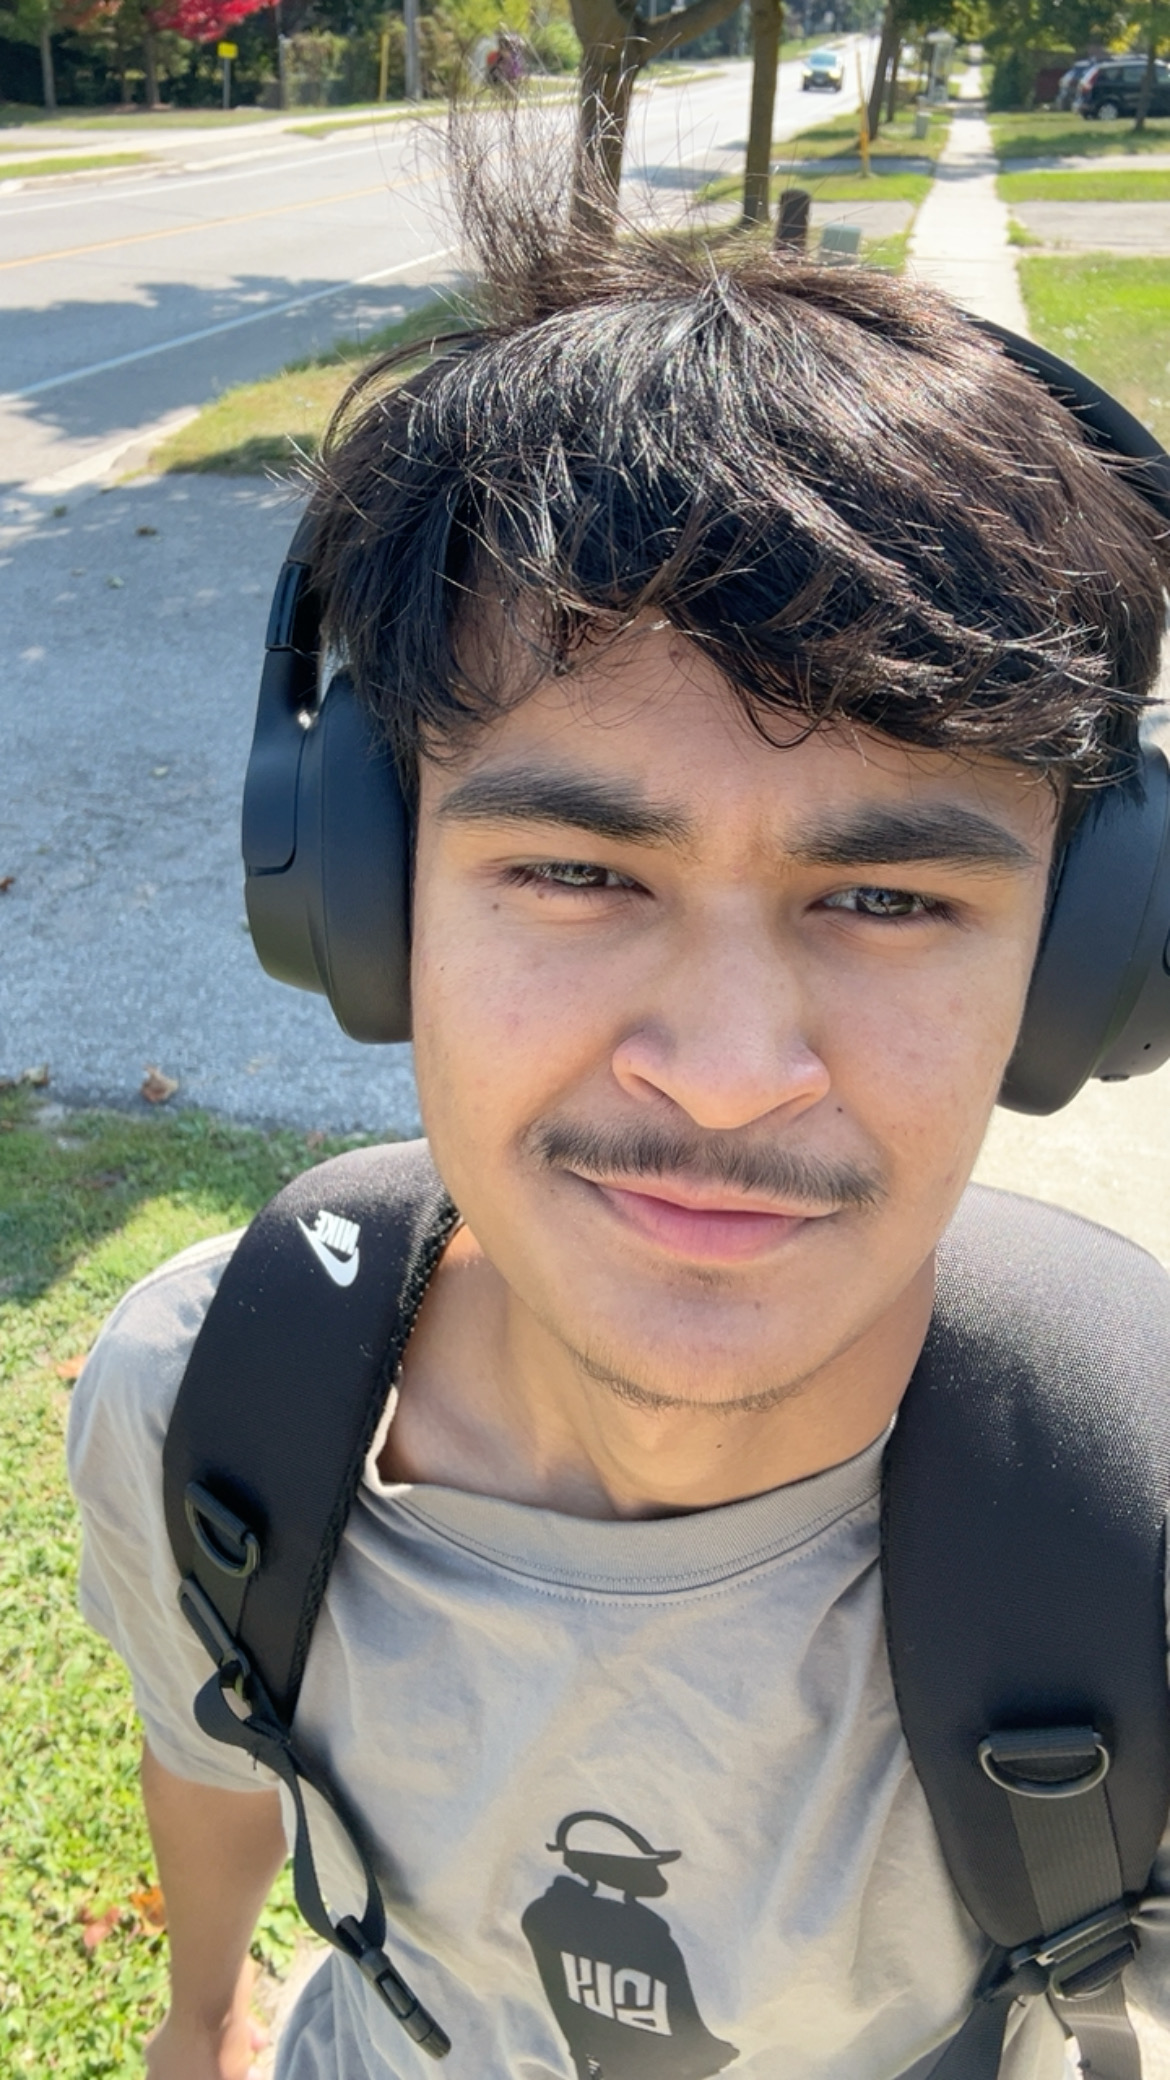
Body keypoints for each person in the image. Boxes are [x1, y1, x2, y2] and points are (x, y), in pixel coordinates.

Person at [67, 179, 1170, 2080]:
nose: (730, 1070)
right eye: (576, 867)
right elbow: (209, 1738)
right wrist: (197, 2018)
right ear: (359, 893)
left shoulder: (1135, 1537)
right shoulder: (202, 1405)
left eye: (892, 899)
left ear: (1082, 966)